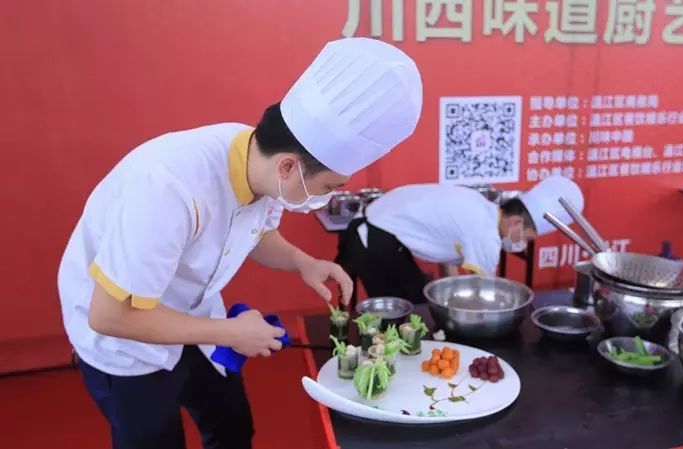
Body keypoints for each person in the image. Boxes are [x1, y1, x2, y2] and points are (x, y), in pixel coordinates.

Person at [57, 37, 422, 449]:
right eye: (328, 186)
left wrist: (303, 262)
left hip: (195, 314)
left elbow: (258, 232)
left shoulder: (256, 159)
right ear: (289, 166)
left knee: (231, 425)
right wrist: (230, 332)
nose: (328, 197)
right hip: (126, 342)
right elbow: (110, 316)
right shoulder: (167, 187)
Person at [335, 176, 583, 303]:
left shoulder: (481, 207)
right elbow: (483, 293)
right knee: (411, 314)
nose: (523, 244)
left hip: (372, 228)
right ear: (516, 222)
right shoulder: (486, 234)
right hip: (375, 239)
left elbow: (452, 269)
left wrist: (447, 296)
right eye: (527, 238)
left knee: (421, 300)